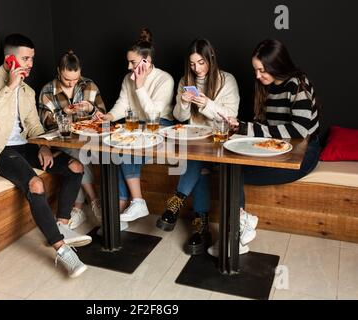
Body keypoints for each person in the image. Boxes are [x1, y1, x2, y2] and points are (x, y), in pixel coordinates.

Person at [0, 34, 91, 278]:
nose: (30, 64)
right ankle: (61, 249)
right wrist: (10, 86)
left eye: (32, 59)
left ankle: (62, 226)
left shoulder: (27, 90)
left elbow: (34, 126)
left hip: (25, 145)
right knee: (35, 184)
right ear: (9, 59)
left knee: (76, 167)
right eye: (25, 58)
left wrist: (42, 146)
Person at [222, 38, 321, 257]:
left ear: (277, 65)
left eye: (262, 70)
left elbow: (299, 131)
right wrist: (240, 126)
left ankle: (239, 227)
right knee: (230, 166)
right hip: (278, 148)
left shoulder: (298, 84)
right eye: (256, 70)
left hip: (304, 153)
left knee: (233, 171)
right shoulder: (266, 88)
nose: (258, 76)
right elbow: (266, 127)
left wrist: (247, 128)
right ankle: (241, 222)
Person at [155, 38, 248, 255]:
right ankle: (201, 228)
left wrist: (206, 104)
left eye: (201, 63)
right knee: (199, 164)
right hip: (196, 140)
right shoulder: (185, 80)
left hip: (221, 139)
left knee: (196, 161)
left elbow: (230, 117)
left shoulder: (227, 80)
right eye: (193, 64)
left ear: (211, 59)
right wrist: (185, 103)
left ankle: (178, 203)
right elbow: (179, 117)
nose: (197, 69)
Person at [99, 28, 174, 229]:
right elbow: (122, 105)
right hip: (136, 127)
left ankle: (136, 202)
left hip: (160, 127)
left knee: (126, 148)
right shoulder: (127, 79)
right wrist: (108, 116)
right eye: (129, 62)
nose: (128, 66)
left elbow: (154, 115)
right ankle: (125, 206)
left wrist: (140, 85)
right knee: (115, 151)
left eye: (132, 62)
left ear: (146, 61)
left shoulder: (164, 79)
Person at [38, 50, 105, 228]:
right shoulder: (47, 90)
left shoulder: (89, 86)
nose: (72, 83)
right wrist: (63, 113)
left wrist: (91, 109)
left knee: (80, 153)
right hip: (60, 141)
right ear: (58, 72)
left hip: (88, 140)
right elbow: (44, 122)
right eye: (67, 79)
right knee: (76, 154)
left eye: (76, 79)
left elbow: (103, 117)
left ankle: (77, 208)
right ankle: (94, 200)